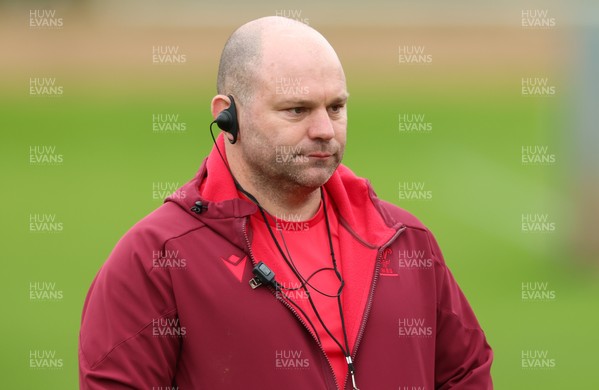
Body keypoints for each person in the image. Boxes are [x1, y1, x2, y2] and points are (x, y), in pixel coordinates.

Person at [79, 16, 493, 389]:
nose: (324, 130)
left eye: (336, 107)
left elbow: (466, 373)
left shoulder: (404, 241)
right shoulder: (156, 258)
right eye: (296, 110)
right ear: (229, 116)